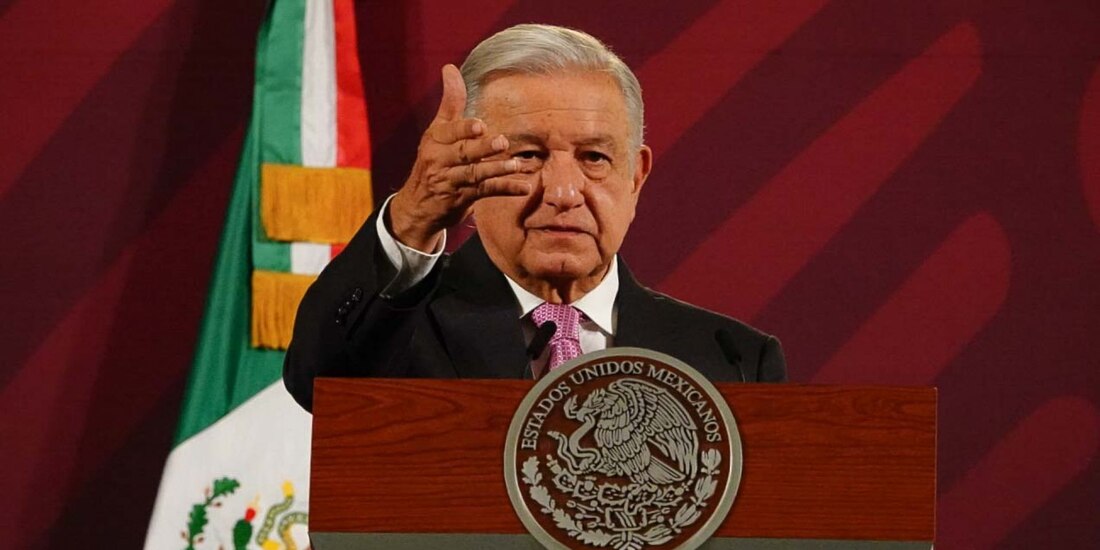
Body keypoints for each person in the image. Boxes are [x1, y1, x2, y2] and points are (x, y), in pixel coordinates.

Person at [283, 24, 786, 411]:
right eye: (527, 155)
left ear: (636, 176)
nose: (564, 192)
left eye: (594, 158)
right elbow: (320, 382)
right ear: (469, 164)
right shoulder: (395, 332)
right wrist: (414, 215)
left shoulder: (734, 362)